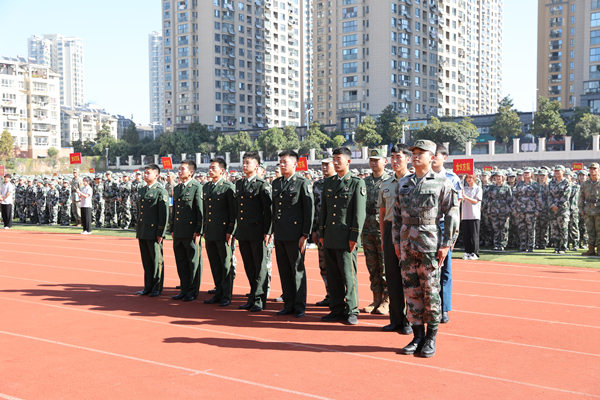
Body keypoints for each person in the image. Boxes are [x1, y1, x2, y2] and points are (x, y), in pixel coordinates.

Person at [393, 140, 459, 358]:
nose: (416, 156)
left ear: (432, 157)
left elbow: (452, 214)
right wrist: (395, 241)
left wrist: (447, 244)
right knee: (411, 291)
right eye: (413, 152)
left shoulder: (442, 182)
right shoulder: (404, 182)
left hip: (429, 244)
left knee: (430, 291)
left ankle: (431, 337)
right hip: (405, 243)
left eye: (421, 153)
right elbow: (396, 215)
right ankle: (417, 335)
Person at [319, 146, 366, 325]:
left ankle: (352, 309)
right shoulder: (329, 182)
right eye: (334, 159)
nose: (336, 162)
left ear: (348, 161)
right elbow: (324, 210)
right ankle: (336, 308)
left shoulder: (356, 182)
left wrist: (355, 236)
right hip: (330, 235)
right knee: (332, 275)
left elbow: (359, 213)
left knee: (348, 274)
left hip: (346, 237)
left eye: (339, 159)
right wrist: (321, 232)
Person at [271, 150, 314, 319]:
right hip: (280, 233)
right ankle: (288, 303)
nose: (282, 165)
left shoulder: (302, 183)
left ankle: (299, 305)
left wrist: (305, 235)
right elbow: (275, 210)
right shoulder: (276, 183)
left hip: (296, 235)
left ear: (295, 164)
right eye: (280, 162)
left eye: (285, 162)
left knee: (297, 271)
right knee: (284, 270)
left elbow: (308, 211)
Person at [378, 143, 412, 334]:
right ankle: (396, 320)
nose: (394, 161)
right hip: (391, 229)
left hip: (409, 231)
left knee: (408, 277)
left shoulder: (414, 182)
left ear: (408, 159)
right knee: (391, 277)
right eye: (392, 157)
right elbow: (383, 213)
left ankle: (410, 320)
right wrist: (384, 237)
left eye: (398, 157)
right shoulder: (386, 184)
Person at [235, 152, 272, 312]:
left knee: (259, 266)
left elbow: (268, 211)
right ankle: (252, 296)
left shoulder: (262, 185)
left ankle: (259, 299)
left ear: (256, 166)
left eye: (248, 163)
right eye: (243, 163)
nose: (244, 165)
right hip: (243, 232)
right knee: (249, 266)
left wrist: (268, 231)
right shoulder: (239, 184)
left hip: (258, 231)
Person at [431, 144, 462, 324]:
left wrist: (453, 234)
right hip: (425, 227)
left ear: (444, 157)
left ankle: (443, 308)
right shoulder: (420, 176)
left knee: (445, 269)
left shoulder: (452, 178)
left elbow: (455, 210)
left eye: (436, 155)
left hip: (443, 227)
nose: (433, 157)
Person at [203, 158, 236, 307]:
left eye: (213, 168)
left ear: (222, 170)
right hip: (210, 231)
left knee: (225, 264)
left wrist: (231, 230)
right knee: (215, 263)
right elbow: (206, 211)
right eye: (209, 167)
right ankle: (218, 292)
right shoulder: (207, 187)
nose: (210, 170)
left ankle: (226, 295)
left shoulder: (228, 187)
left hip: (223, 232)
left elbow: (233, 211)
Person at [169, 160, 203, 302]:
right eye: (179, 169)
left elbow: (200, 210)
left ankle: (192, 291)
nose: (180, 171)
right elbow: (174, 210)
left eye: (183, 169)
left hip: (191, 231)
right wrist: (171, 228)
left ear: (191, 172)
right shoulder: (177, 188)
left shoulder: (197, 187)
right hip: (178, 231)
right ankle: (184, 289)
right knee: (181, 261)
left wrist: (199, 230)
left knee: (193, 262)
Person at [361, 149, 390, 314]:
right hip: (367, 227)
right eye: (371, 160)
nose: (373, 163)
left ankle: (387, 299)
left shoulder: (390, 181)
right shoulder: (364, 182)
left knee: (385, 264)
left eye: (376, 160)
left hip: (383, 227)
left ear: (384, 161)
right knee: (372, 264)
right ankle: (376, 298)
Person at [135, 164, 169, 297]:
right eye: (144, 173)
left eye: (148, 173)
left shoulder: (161, 191)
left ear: (156, 175)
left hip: (154, 231)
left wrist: (161, 231)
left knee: (156, 260)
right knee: (146, 260)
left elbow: (164, 214)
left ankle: (157, 286)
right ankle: (147, 286)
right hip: (143, 230)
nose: (145, 175)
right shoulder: (142, 190)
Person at [311, 157, 335, 306]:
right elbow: (315, 210)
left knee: (337, 265)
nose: (324, 167)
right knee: (323, 265)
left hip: (335, 230)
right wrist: (314, 230)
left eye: (328, 164)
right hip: (321, 231)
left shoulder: (338, 183)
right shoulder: (317, 185)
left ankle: (340, 296)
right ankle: (329, 294)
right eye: (323, 164)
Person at [513, 167, 542, 252]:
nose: (526, 174)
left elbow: (538, 199)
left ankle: (530, 246)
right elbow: (515, 197)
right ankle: (522, 246)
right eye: (525, 173)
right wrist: (514, 209)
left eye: (528, 173)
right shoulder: (519, 184)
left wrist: (537, 210)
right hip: (520, 210)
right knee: (521, 228)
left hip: (531, 210)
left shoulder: (535, 185)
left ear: (531, 174)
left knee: (530, 229)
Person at [548, 165, 572, 254]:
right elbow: (548, 195)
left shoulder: (566, 182)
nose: (557, 172)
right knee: (554, 229)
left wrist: (557, 205)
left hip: (563, 209)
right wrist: (552, 205)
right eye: (556, 171)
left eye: (559, 171)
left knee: (563, 229)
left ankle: (563, 247)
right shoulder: (551, 183)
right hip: (553, 210)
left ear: (563, 172)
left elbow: (566, 196)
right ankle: (556, 247)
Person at [579, 163, 600, 256]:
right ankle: (591, 249)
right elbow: (581, 197)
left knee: (599, 231)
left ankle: (599, 249)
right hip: (588, 210)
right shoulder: (585, 183)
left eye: (594, 169)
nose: (592, 170)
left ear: (598, 170)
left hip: (598, 210)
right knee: (590, 230)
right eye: (591, 169)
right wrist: (581, 209)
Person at [461, 173, 483, 259]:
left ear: (474, 178)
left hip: (474, 215)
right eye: (467, 177)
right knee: (466, 235)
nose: (468, 179)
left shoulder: (478, 189)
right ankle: (467, 252)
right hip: (465, 214)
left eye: (470, 177)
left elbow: (476, 201)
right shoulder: (464, 189)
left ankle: (475, 253)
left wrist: (465, 197)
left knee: (474, 235)